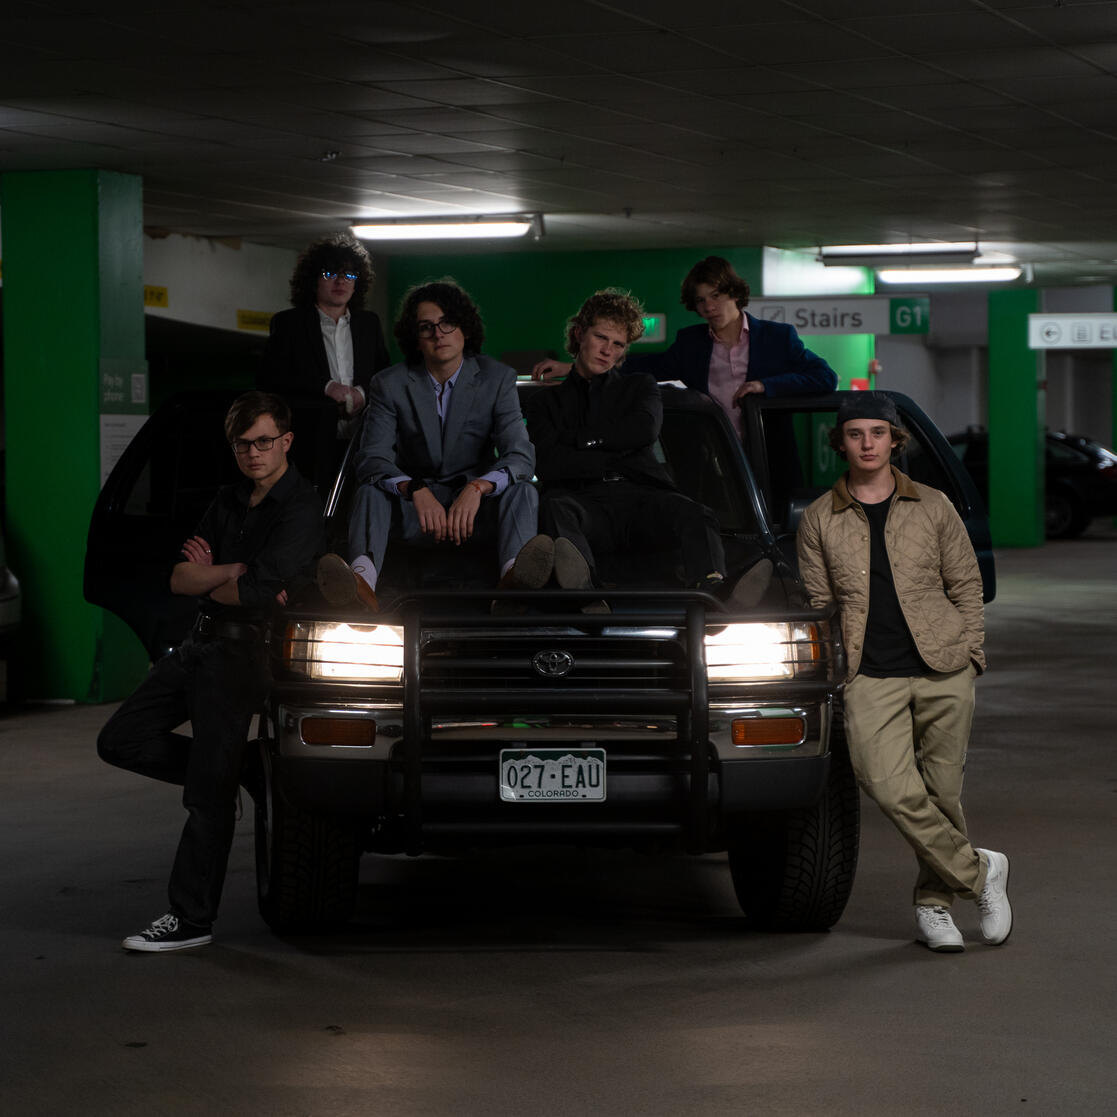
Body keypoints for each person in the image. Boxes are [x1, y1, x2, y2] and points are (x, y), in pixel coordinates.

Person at [97, 392, 324, 952]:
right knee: (120, 739)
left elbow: (257, 592)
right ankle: (244, 769)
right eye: (242, 444)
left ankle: (191, 919)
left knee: (205, 796)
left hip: (244, 656)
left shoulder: (301, 506)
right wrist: (233, 570)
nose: (253, 453)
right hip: (198, 644)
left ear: (286, 441)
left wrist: (219, 576)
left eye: (263, 441)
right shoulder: (228, 498)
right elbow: (180, 578)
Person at [796, 393, 1012, 953]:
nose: (867, 444)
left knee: (942, 793)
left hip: (943, 666)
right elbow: (820, 605)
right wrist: (838, 671)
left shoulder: (934, 505)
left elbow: (966, 584)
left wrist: (972, 653)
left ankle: (933, 905)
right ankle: (980, 872)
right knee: (886, 785)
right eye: (855, 434)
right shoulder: (819, 518)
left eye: (878, 433)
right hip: (869, 673)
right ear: (840, 442)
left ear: (895, 440)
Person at [524, 287, 768, 608]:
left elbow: (642, 431)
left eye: (618, 344)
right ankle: (586, 596)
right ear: (579, 334)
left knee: (693, 511)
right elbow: (548, 464)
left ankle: (715, 595)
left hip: (641, 499)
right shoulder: (544, 402)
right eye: (601, 338)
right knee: (555, 506)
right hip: (583, 502)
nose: (607, 350)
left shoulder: (640, 386)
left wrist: (581, 441)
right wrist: (616, 453)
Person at [317, 280, 539, 609]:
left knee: (523, 489)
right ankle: (361, 584)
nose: (439, 334)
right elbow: (372, 458)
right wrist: (414, 489)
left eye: (447, 323)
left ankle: (514, 581)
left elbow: (520, 455)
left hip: (474, 511)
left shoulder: (497, 378)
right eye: (426, 327)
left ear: (465, 328)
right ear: (416, 338)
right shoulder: (389, 383)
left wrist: (478, 488)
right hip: (415, 512)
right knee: (369, 489)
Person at [532, 256, 837, 440]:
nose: (708, 306)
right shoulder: (691, 342)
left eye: (715, 296)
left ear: (734, 293)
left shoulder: (776, 337)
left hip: (769, 453)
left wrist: (765, 386)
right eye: (700, 300)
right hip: (714, 456)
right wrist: (573, 368)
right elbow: (643, 366)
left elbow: (824, 377)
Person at [259, 232, 391, 427]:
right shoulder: (289, 324)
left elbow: (385, 376)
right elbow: (271, 380)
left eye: (349, 275)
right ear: (313, 280)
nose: (341, 281)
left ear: (357, 283)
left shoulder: (369, 324)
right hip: (310, 433)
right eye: (330, 274)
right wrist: (327, 387)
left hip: (363, 434)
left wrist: (362, 393)